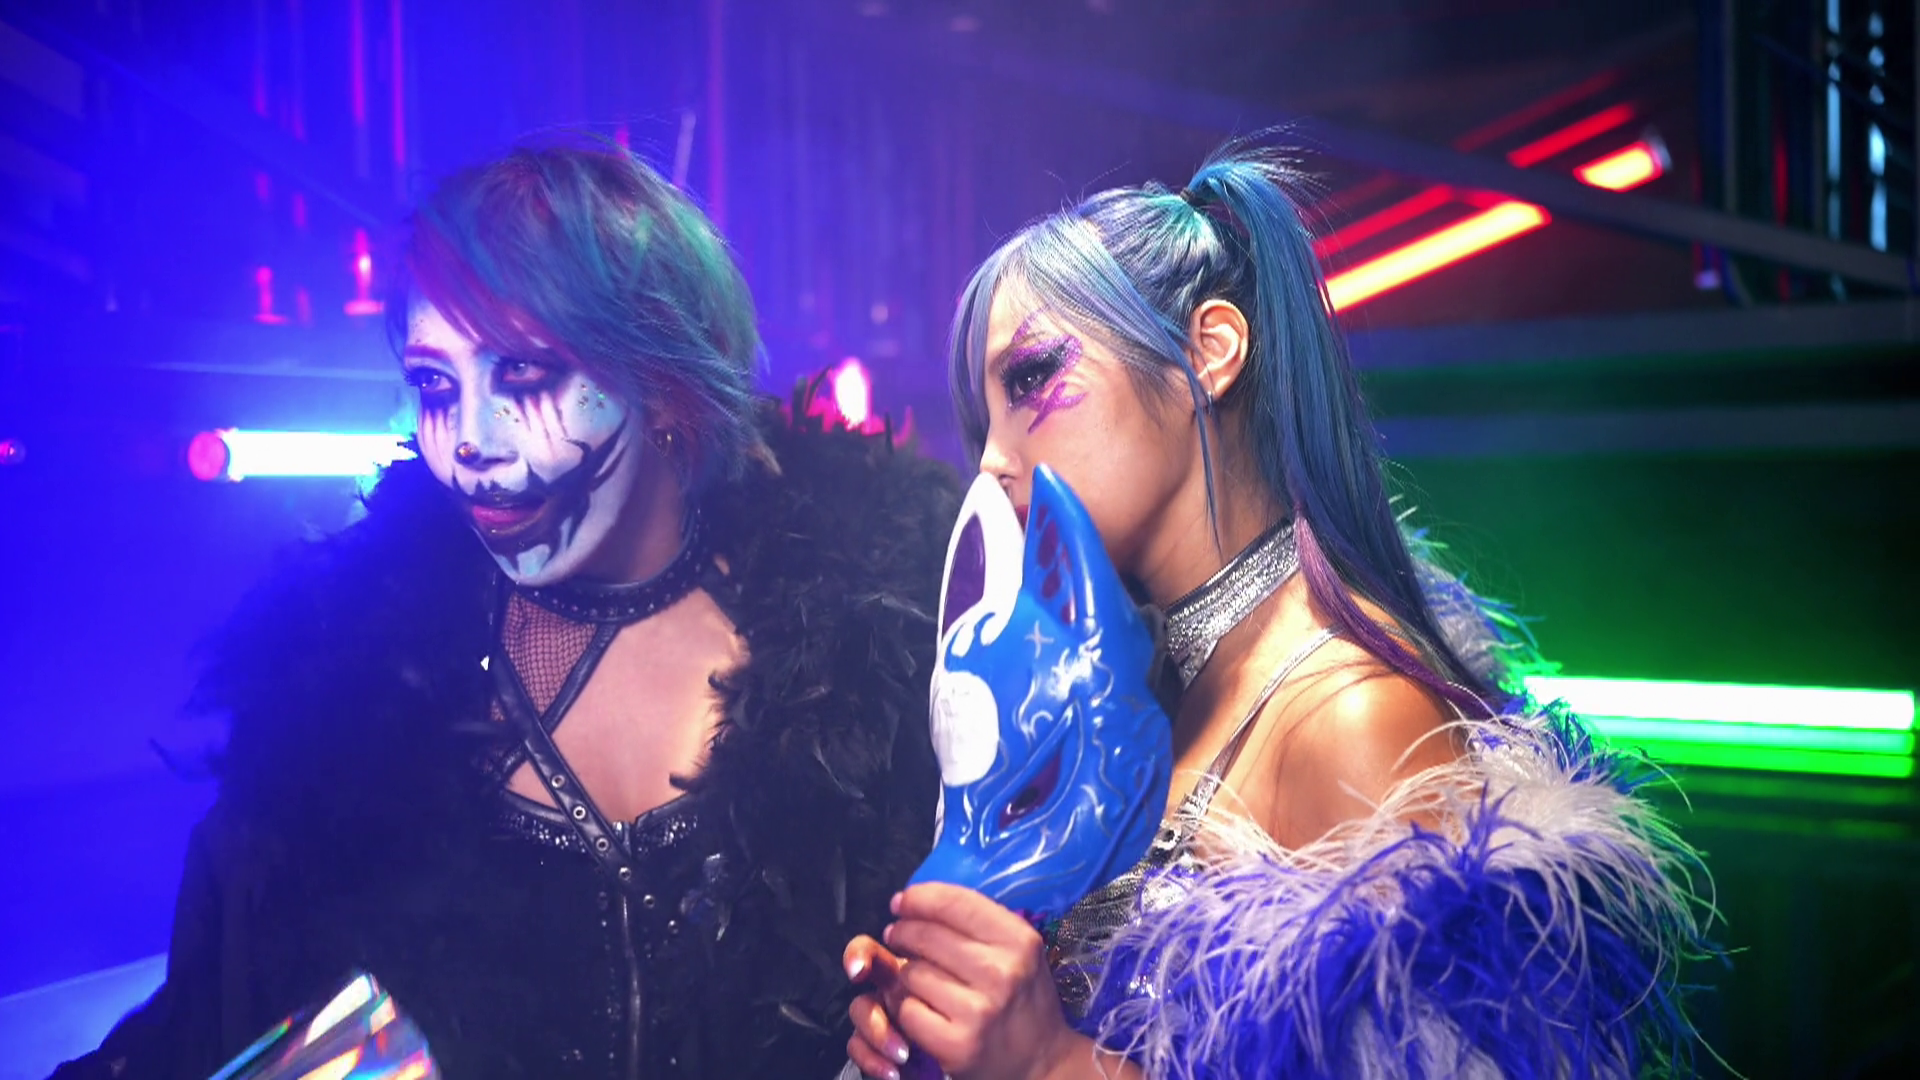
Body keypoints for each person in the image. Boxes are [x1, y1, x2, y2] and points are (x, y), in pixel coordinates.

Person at [53, 135, 962, 1079]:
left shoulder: (880, 632)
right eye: (435, 385)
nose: (468, 440)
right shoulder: (346, 691)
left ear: (664, 383)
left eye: (523, 375)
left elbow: (1032, 943)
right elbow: (215, 1024)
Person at [842, 143, 1709, 1080]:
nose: (991, 462)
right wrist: (947, 1021)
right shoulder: (1127, 705)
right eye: (984, 419)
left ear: (1208, 351)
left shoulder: (1353, 715)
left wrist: (1050, 1063)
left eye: (1031, 380)